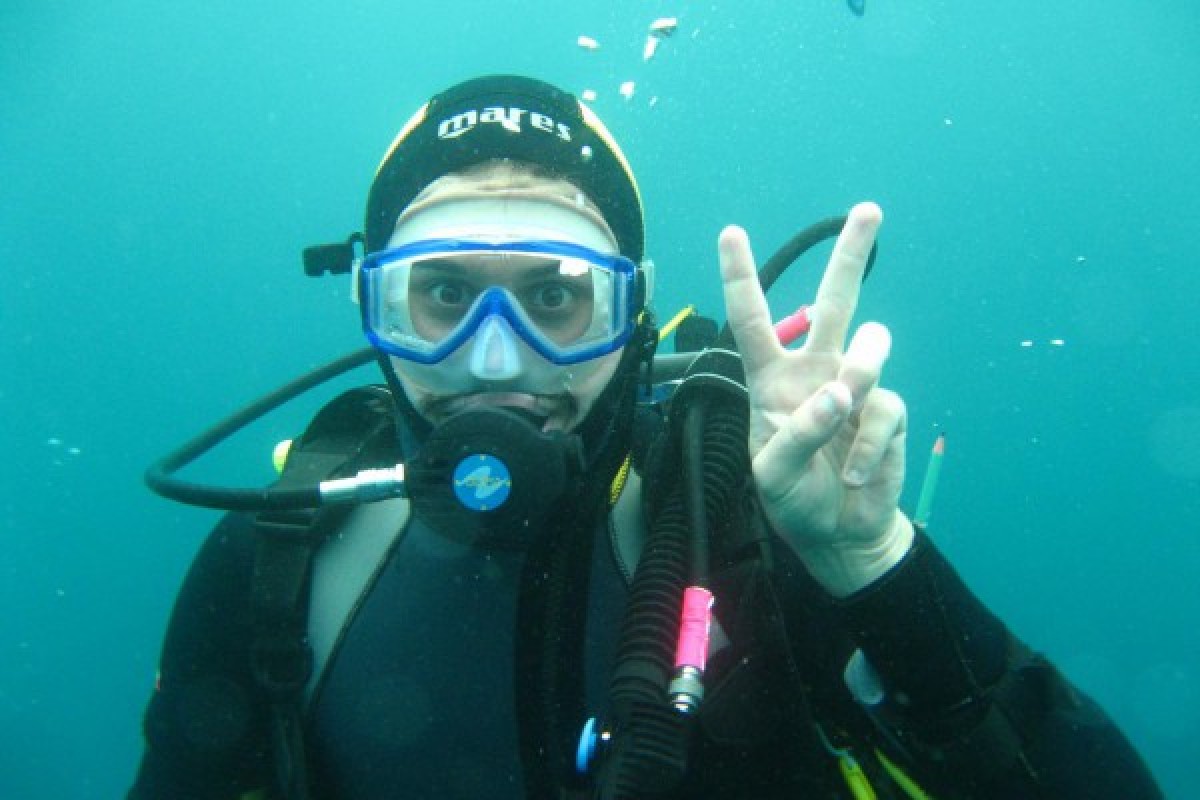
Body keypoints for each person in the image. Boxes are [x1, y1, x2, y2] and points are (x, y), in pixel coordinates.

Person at [128, 75, 1162, 799]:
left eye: (558, 296)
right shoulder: (280, 559)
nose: (499, 360)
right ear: (371, 305)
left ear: (634, 315)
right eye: (440, 294)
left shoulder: (748, 526)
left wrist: (870, 560)